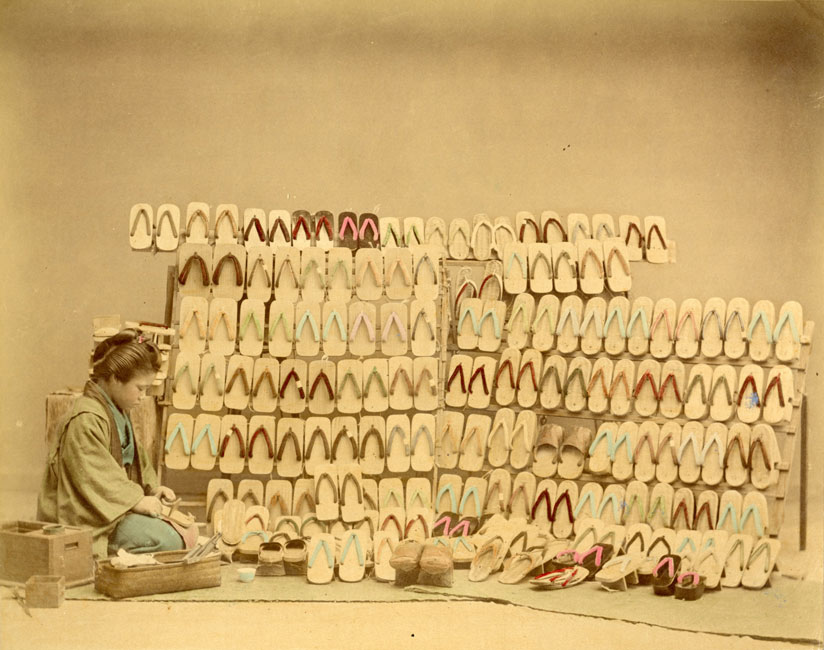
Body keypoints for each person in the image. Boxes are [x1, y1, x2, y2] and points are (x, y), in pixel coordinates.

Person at [38, 328, 187, 558]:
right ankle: (103, 560)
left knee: (187, 532)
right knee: (169, 540)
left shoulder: (116, 408)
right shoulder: (85, 419)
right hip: (89, 516)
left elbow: (138, 461)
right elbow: (95, 478)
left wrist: (152, 489)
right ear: (116, 379)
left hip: (113, 506)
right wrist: (137, 500)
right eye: (140, 388)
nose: (143, 397)